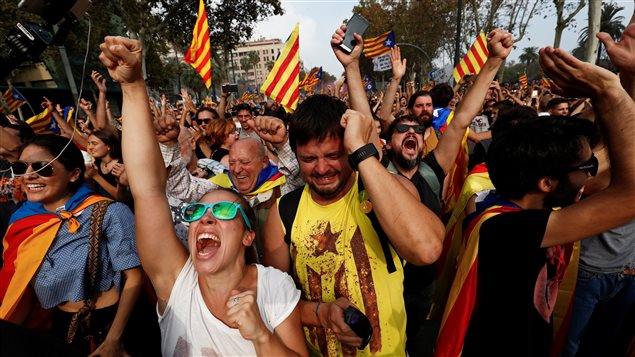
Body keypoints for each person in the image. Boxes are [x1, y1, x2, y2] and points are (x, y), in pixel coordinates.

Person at [101, 35, 308, 357]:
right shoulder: (177, 284)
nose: (206, 217)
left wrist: (262, 337)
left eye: (224, 211)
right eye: (196, 213)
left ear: (248, 236)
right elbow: (148, 190)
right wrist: (132, 86)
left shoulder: (274, 286)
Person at [263, 26, 444, 356]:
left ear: (350, 148)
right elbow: (276, 304)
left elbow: (427, 249)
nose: (321, 169)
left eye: (333, 155)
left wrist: (362, 149)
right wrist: (322, 314)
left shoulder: (384, 193)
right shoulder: (284, 212)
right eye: (308, 159)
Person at [455, 44, 635, 355]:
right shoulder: (509, 230)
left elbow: (615, 154)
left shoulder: (516, 211)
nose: (594, 173)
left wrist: (620, 83)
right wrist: (610, 89)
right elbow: (631, 193)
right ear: (547, 182)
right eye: (586, 168)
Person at [0, 134, 143, 355]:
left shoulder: (109, 212)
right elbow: (21, 291)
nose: (28, 176)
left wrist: (114, 339)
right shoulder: (22, 223)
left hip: (112, 325)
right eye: (20, 167)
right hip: (60, 329)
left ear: (74, 174)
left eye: (42, 167)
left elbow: (134, 277)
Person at [86, 129, 131, 203]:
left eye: (94, 144)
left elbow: (123, 199)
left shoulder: (122, 165)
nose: (90, 147)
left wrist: (96, 176)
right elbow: (95, 193)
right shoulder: (96, 163)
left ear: (108, 146)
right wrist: (89, 179)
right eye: (89, 143)